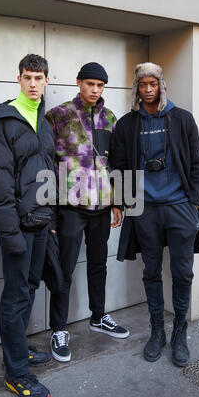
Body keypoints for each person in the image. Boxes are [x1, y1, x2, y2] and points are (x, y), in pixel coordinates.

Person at [113, 62, 199, 367]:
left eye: (153, 84)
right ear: (137, 88)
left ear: (161, 85)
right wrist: (124, 202)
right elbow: (117, 164)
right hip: (145, 209)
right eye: (143, 85)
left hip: (179, 207)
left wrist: (194, 200)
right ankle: (157, 332)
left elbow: (197, 162)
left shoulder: (181, 119)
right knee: (151, 271)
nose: (149, 89)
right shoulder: (128, 124)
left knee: (183, 273)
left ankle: (180, 332)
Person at [0, 54, 57, 397]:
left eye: (39, 77)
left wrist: (50, 218)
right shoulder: (6, 122)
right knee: (14, 296)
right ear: (19, 80)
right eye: (28, 77)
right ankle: (16, 373)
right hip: (18, 228)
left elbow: (48, 172)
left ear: (47, 81)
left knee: (28, 288)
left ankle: (18, 349)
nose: (34, 83)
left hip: (41, 224)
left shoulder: (44, 121)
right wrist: (10, 234)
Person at [45, 62, 130, 362]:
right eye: (90, 83)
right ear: (79, 82)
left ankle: (98, 316)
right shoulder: (58, 115)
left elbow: (119, 161)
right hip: (70, 207)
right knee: (63, 269)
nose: (95, 90)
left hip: (102, 207)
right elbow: (42, 157)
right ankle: (58, 328)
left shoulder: (111, 119)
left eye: (100, 85)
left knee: (98, 265)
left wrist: (119, 202)